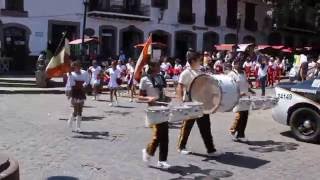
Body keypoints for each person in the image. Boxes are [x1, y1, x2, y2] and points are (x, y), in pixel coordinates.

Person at [176, 50, 221, 156]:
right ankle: (181, 146)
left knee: (206, 127)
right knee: (187, 126)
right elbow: (180, 86)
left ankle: (211, 150)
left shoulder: (201, 71)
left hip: (202, 103)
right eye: (198, 60)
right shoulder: (186, 73)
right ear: (192, 61)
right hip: (190, 102)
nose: (200, 61)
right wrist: (180, 101)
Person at [140, 61, 171, 169]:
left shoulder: (161, 77)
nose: (160, 67)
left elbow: (162, 92)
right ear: (152, 67)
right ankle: (148, 151)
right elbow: (139, 97)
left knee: (165, 136)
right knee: (158, 134)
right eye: (158, 65)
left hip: (163, 109)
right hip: (153, 111)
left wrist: (167, 98)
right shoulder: (144, 80)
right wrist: (149, 98)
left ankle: (162, 160)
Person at [228, 59, 255, 142]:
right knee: (239, 115)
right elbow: (230, 87)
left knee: (245, 115)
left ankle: (241, 135)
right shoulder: (231, 74)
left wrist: (250, 90)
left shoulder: (243, 73)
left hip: (246, 97)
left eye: (241, 63)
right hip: (237, 97)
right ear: (234, 64)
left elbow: (245, 83)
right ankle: (233, 130)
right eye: (238, 64)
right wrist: (239, 94)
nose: (240, 65)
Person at [65, 61, 90, 132]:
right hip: (75, 93)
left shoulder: (84, 73)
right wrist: (70, 74)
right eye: (76, 66)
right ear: (74, 67)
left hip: (81, 93)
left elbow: (87, 81)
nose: (78, 68)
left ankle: (78, 127)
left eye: (79, 66)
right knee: (75, 111)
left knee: (80, 110)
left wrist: (84, 85)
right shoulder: (71, 74)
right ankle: (70, 121)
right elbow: (71, 84)